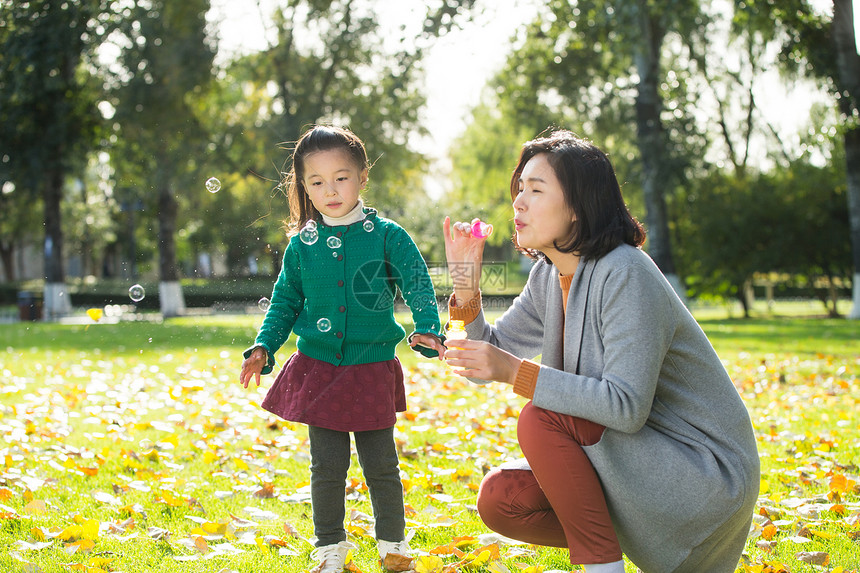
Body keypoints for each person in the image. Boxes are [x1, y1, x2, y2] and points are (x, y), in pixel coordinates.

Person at [442, 129, 759, 573]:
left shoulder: (626, 272)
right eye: (519, 189)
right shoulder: (547, 277)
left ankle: (602, 567)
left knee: (541, 415)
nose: (518, 201)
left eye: (536, 189)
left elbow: (626, 406)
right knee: (502, 499)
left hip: (703, 478)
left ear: (577, 207)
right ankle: (611, 552)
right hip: (639, 468)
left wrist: (515, 372)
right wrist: (465, 286)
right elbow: (484, 360)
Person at [240, 125, 446, 573]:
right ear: (304, 188)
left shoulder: (388, 235)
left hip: (370, 367)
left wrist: (428, 327)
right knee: (326, 467)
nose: (329, 190)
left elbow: (416, 281)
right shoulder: (300, 246)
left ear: (362, 176)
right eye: (316, 182)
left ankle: (393, 544)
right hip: (319, 370)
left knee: (381, 466)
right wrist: (264, 346)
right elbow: (285, 303)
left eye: (341, 177)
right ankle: (330, 549)